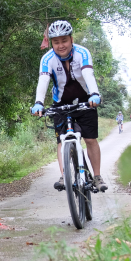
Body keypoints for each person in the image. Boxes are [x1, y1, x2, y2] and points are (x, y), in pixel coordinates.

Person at [31, 20, 108, 193]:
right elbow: (43, 80)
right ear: (52, 43)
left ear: (71, 39)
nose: (61, 45)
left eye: (64, 40)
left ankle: (97, 176)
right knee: (62, 139)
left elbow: (88, 73)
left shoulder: (82, 53)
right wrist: (38, 103)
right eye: (56, 42)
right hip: (61, 104)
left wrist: (94, 94)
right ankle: (64, 175)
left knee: (90, 139)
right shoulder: (47, 59)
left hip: (86, 101)